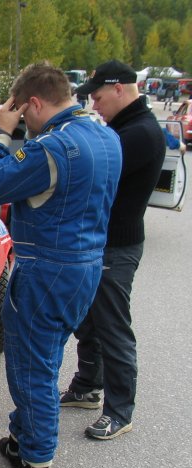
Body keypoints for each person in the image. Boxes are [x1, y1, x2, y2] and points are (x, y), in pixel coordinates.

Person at [0, 62, 122, 468]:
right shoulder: (106, 136)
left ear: (33, 103)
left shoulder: (52, 148)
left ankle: (35, 467)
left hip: (46, 269)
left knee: (31, 367)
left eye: (22, 112)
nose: (24, 121)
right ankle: (24, 436)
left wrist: (2, 133)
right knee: (45, 357)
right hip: (85, 266)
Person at [60, 60, 166, 441]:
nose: (95, 105)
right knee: (88, 320)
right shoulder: (124, 128)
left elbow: (88, 171)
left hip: (117, 247)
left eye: (99, 97)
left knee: (112, 327)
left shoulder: (138, 134)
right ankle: (89, 385)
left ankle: (120, 410)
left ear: (120, 88)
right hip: (101, 243)